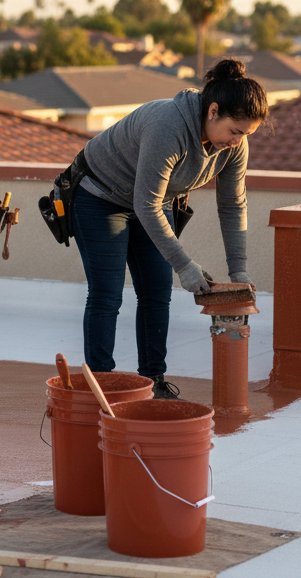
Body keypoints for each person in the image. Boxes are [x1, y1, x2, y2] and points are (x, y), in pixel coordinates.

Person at [71, 58, 269, 397]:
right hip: (101, 195)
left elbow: (233, 204)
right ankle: (100, 388)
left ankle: (153, 382)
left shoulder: (234, 146)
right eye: (235, 131)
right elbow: (145, 204)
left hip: (152, 203)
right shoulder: (168, 125)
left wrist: (239, 271)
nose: (237, 141)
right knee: (107, 294)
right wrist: (185, 265)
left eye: (245, 135)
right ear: (213, 111)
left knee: (157, 292)